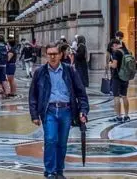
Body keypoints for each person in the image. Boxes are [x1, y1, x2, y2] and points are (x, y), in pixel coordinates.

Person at [28, 41, 89, 179]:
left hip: (66, 111)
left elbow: (81, 92)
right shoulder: (40, 72)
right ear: (46, 55)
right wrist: (34, 115)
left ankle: (59, 170)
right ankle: (50, 171)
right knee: (50, 139)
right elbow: (33, 95)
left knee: (62, 142)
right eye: (49, 54)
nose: (52, 57)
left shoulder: (69, 70)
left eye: (55, 54)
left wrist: (83, 110)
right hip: (49, 110)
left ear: (61, 55)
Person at [108, 33, 130, 123]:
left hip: (117, 77)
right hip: (125, 77)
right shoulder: (125, 51)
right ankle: (126, 115)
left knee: (116, 96)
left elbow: (114, 65)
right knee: (124, 96)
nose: (112, 49)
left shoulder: (116, 52)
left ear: (114, 45)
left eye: (112, 48)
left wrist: (109, 64)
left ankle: (118, 116)